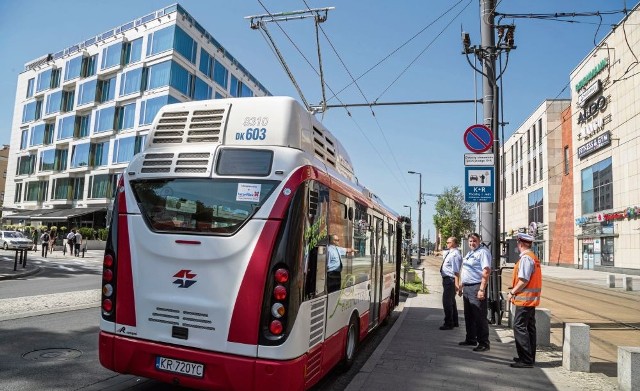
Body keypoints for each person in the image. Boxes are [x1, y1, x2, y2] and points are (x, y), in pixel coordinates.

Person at [508, 233, 542, 368]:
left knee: (519, 326)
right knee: (529, 328)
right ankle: (528, 357)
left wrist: (512, 292)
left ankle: (526, 359)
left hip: (524, 300)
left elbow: (523, 280)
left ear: (520, 243)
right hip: (530, 300)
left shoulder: (526, 259)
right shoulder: (533, 257)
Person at [458, 232, 492, 352]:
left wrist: (482, 289)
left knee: (479, 316)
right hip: (467, 287)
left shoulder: (483, 252)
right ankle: (471, 338)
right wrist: (461, 285)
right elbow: (466, 270)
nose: (472, 243)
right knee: (469, 316)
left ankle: (484, 343)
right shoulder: (470, 253)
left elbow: (486, 271)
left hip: (476, 287)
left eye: (475, 241)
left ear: (479, 241)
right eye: (470, 241)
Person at [439, 236, 462, 330]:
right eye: (447, 242)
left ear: (454, 243)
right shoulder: (450, 252)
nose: (447, 244)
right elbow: (442, 253)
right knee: (451, 301)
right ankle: (455, 321)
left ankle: (449, 323)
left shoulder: (455, 255)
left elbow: (456, 272)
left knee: (447, 302)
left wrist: (457, 285)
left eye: (449, 242)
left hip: (450, 280)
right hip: (448, 280)